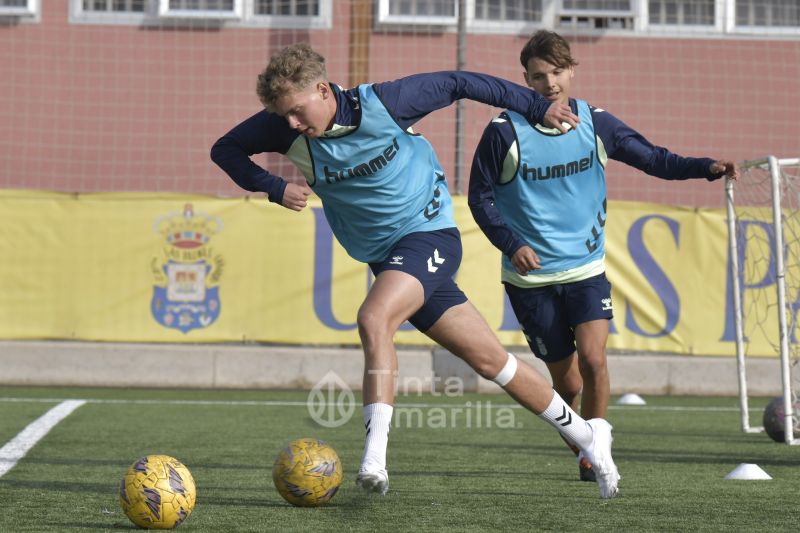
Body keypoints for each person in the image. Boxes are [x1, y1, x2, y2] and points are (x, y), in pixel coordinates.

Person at [211, 42, 620, 499]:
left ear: (323, 90)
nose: (290, 124)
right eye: (283, 116)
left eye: (296, 111)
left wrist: (535, 105)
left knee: (373, 318)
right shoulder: (283, 128)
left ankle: (375, 460)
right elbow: (224, 149)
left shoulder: (387, 103)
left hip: (430, 237)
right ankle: (589, 439)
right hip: (387, 260)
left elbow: (460, 82)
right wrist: (271, 186)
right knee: (492, 362)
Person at [468, 30, 739, 482]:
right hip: (530, 282)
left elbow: (654, 159)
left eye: (557, 72)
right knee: (568, 383)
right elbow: (480, 198)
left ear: (572, 71)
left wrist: (704, 168)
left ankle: (596, 457)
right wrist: (512, 245)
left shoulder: (596, 123)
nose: (550, 83)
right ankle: (584, 442)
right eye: (538, 76)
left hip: (587, 269)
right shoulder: (503, 132)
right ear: (525, 81)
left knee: (594, 360)